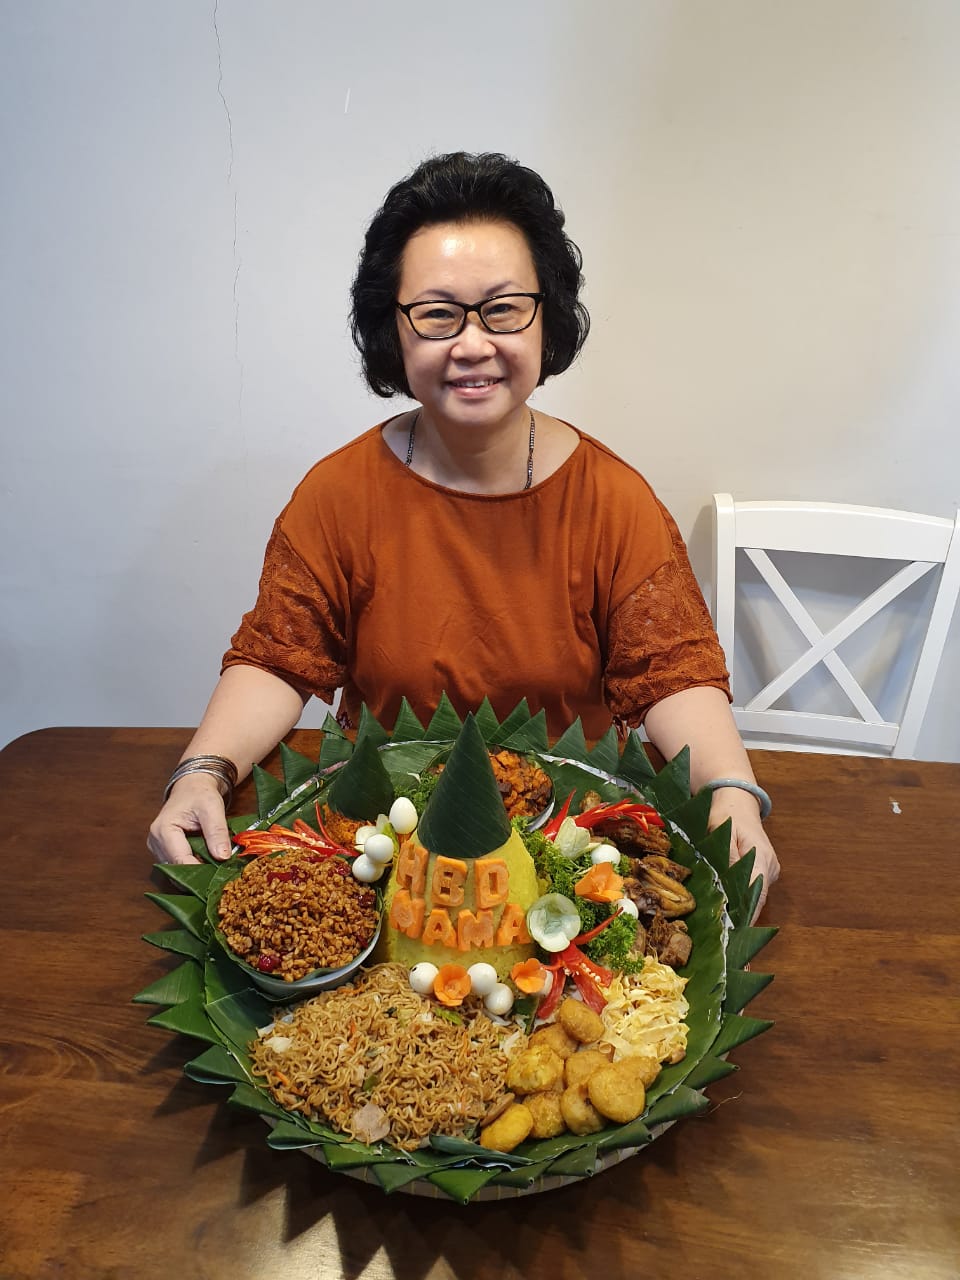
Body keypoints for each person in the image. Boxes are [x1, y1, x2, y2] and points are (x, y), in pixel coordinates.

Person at [147, 151, 779, 913]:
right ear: (395, 330)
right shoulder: (338, 494)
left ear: (548, 319)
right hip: (381, 852)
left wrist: (735, 793)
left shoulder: (615, 500)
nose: (473, 343)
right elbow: (279, 659)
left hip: (569, 862)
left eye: (504, 308)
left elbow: (675, 675)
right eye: (439, 314)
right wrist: (201, 773)